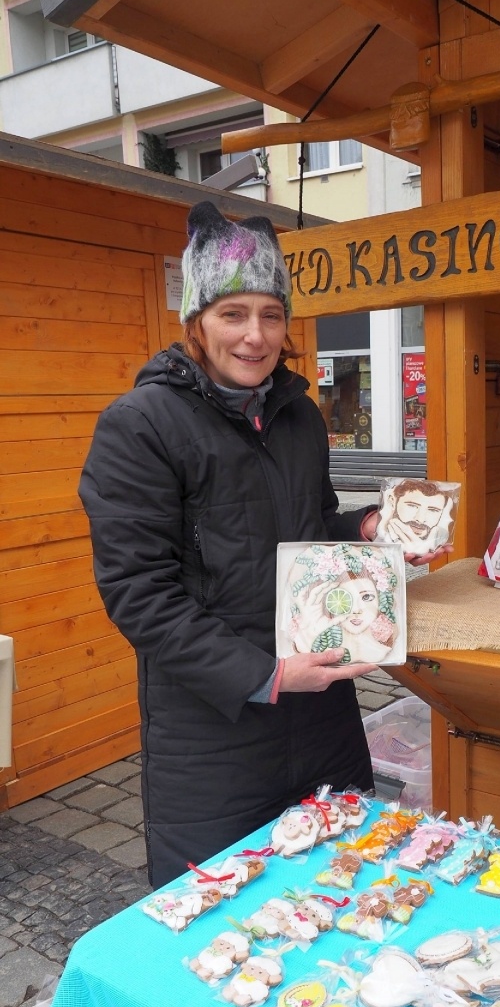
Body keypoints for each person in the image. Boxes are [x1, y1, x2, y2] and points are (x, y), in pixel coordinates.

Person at [78, 201, 439, 888]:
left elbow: (310, 529)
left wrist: (367, 529)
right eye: (232, 314)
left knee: (344, 887)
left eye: (271, 314)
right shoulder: (141, 425)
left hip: (324, 712)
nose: (255, 335)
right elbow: (138, 595)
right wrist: (264, 677)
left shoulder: (299, 415)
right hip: (214, 734)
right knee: (219, 918)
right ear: (196, 321)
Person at [376, 478, 455, 555]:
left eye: (433, 510)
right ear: (393, 501)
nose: (420, 519)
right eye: (412, 506)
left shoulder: (438, 537)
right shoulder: (386, 534)